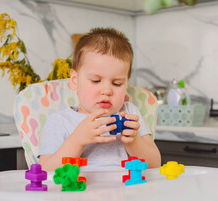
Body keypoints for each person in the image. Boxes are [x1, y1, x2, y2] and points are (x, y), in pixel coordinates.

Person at [38, 27, 161, 171]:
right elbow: (45, 170)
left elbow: (155, 164)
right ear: (75, 80)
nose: (107, 90)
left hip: (124, 190)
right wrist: (76, 141)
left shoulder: (129, 113)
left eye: (117, 83)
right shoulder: (60, 121)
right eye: (96, 81)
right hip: (77, 191)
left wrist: (134, 142)